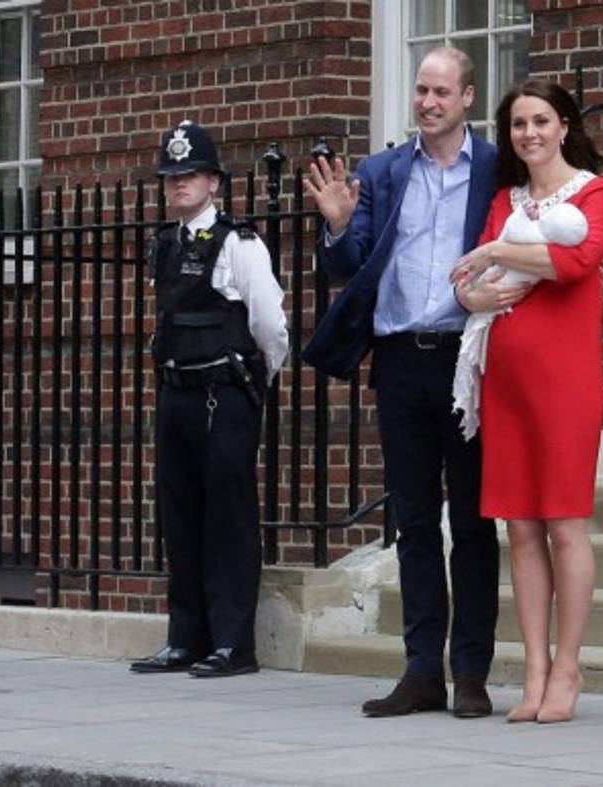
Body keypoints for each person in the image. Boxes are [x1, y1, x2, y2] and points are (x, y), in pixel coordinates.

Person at [301, 47, 529, 718]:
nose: (427, 101)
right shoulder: (381, 171)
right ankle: (422, 668)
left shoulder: (494, 170)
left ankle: (471, 673)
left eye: (440, 91)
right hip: (399, 361)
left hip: (466, 361)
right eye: (421, 90)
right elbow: (346, 264)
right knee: (416, 523)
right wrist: (340, 223)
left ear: (465, 99)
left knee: (474, 520)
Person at [450, 79, 603, 723]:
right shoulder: (503, 199)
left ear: (565, 125)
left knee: (564, 523)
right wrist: (472, 295)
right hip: (507, 380)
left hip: (566, 381)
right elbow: (468, 282)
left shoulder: (596, 193)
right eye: (519, 124)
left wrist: (497, 250)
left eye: (541, 120)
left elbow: (578, 264)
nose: (530, 133)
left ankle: (569, 668)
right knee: (519, 526)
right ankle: (535, 673)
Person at [130, 121, 289, 678]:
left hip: (224, 393)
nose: (179, 185)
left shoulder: (238, 242)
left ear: (214, 181)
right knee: (180, 517)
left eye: (190, 174)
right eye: (172, 176)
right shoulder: (166, 243)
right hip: (177, 392)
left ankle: (231, 642)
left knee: (228, 518)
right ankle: (185, 638)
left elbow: (270, 322)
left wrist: (256, 380)